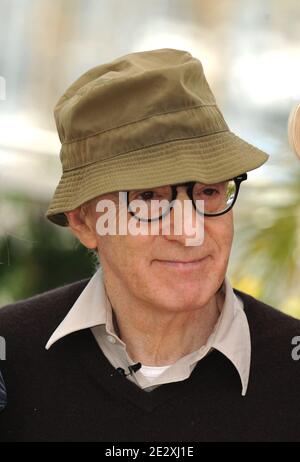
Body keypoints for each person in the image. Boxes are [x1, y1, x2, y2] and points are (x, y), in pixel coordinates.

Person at [0, 48, 299, 442]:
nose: (189, 230)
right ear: (84, 221)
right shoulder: (11, 361)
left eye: (208, 190)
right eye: (149, 199)